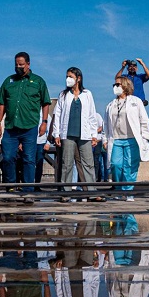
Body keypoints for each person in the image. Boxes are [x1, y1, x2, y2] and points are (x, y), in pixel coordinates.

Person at [0, 52, 51, 204]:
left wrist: (44, 121)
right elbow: (2, 103)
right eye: (16, 64)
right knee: (7, 157)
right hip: (11, 127)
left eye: (21, 64)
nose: (18, 67)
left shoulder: (38, 81)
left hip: (29, 127)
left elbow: (46, 102)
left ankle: (28, 191)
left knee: (28, 159)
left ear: (28, 64)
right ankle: (11, 187)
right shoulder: (9, 81)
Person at [52, 67, 103, 202]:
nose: (68, 79)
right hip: (67, 134)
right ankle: (65, 192)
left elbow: (92, 115)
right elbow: (57, 115)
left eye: (70, 76)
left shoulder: (87, 94)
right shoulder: (63, 95)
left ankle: (92, 192)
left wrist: (94, 135)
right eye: (67, 76)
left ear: (78, 78)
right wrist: (56, 134)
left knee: (88, 163)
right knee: (66, 163)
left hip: (84, 134)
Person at [103, 76, 149, 201]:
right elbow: (106, 124)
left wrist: (145, 137)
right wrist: (104, 139)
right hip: (116, 140)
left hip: (132, 139)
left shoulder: (136, 101)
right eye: (114, 85)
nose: (115, 87)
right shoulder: (111, 105)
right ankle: (119, 189)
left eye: (118, 85)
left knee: (130, 166)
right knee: (115, 165)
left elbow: (144, 120)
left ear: (125, 86)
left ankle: (128, 192)